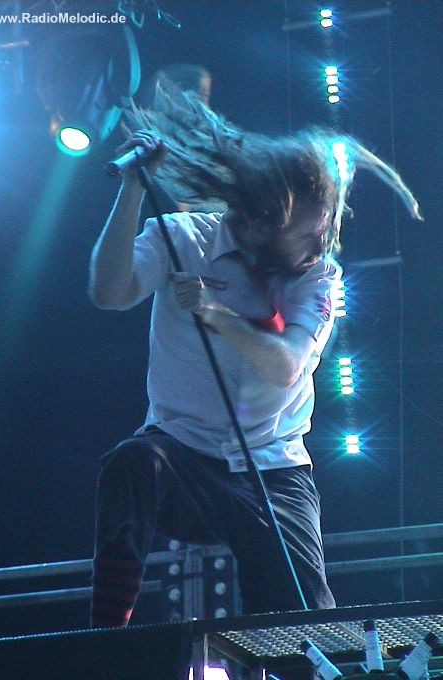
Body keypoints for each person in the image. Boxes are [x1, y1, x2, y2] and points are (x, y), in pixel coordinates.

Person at [88, 94, 422, 630]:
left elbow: (285, 366)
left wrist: (215, 312)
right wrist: (130, 189)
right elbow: (109, 292)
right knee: (132, 463)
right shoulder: (184, 238)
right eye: (309, 232)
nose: (321, 242)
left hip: (274, 465)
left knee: (303, 619)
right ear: (262, 222)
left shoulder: (319, 275)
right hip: (182, 452)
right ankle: (107, 636)